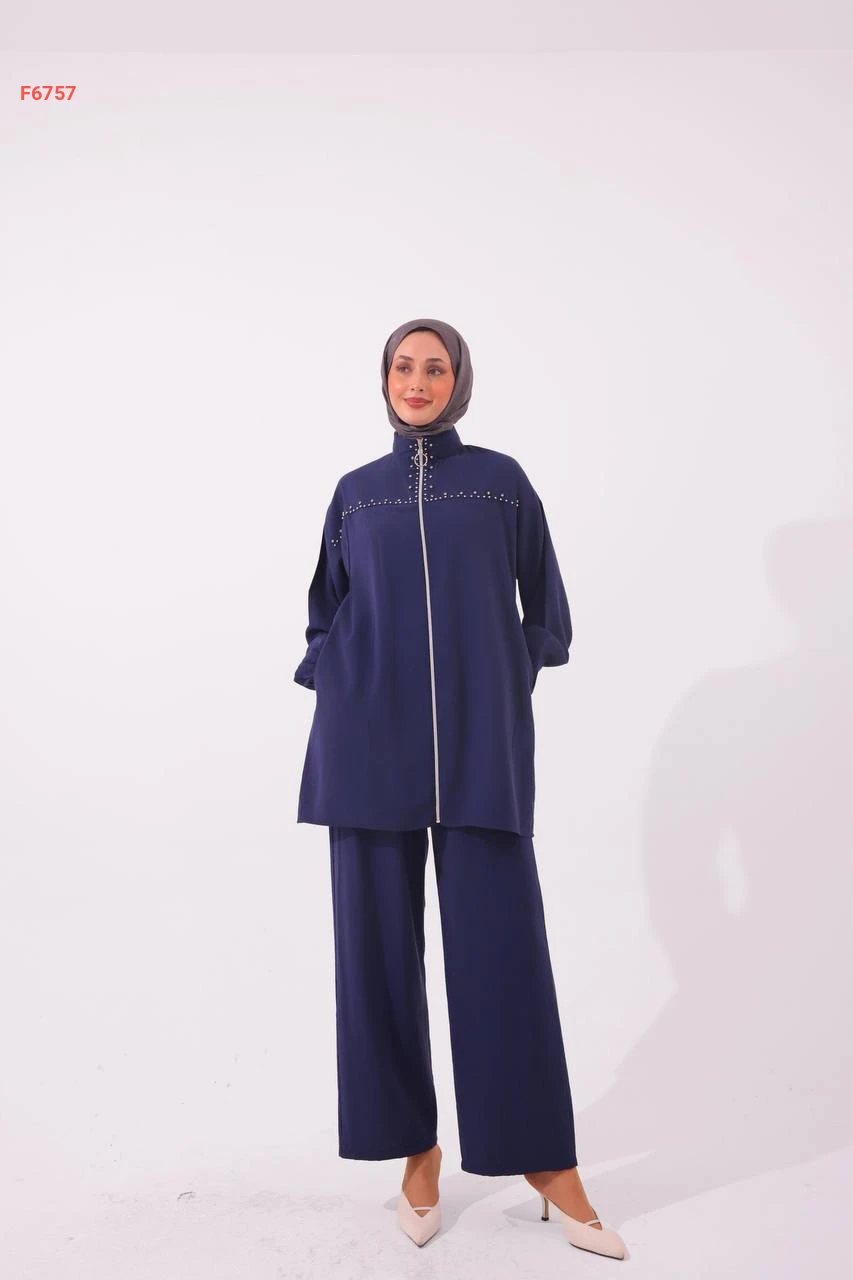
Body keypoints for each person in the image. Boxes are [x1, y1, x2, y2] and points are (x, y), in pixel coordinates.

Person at [293, 318, 626, 1260]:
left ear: (458, 381)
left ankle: (546, 1165)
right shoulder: (356, 493)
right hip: (366, 748)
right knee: (375, 960)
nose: (417, 381)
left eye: (434, 368)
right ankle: (416, 1152)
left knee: (501, 952)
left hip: (480, 748)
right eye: (402, 366)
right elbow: (324, 614)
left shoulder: (500, 482)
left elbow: (545, 612)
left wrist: (502, 675)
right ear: (384, 379)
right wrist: (343, 677)